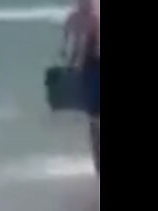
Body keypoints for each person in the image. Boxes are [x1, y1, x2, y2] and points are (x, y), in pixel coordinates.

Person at [63, 0, 99, 175]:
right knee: (94, 119)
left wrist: (71, 65)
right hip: (91, 69)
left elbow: (69, 47)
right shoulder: (87, 18)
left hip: (90, 69)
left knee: (93, 120)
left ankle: (98, 160)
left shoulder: (75, 19)